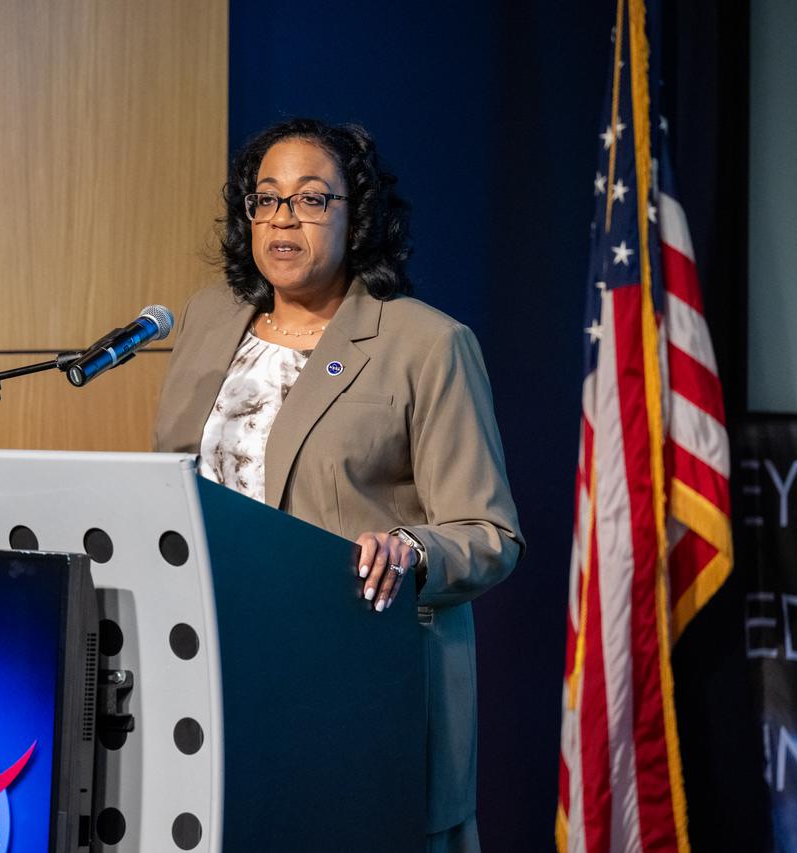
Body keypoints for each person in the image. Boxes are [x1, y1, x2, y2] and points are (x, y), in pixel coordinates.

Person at [153, 118, 523, 853]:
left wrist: (412, 550)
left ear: (359, 220)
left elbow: (490, 534)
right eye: (266, 197)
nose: (283, 216)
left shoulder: (425, 343)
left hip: (356, 681)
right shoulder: (206, 321)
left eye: (313, 199)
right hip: (213, 663)